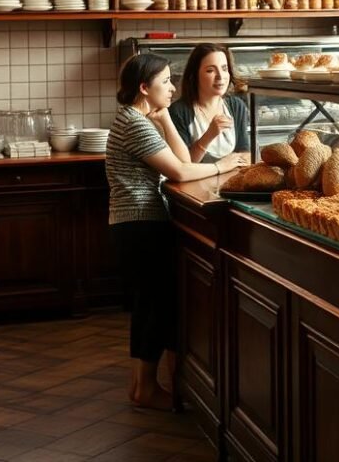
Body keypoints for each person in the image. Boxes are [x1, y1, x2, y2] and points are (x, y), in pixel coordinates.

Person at [106, 53, 248, 410]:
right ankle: (145, 389)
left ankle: (142, 386)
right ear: (144, 87)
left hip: (135, 224)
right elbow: (181, 173)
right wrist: (224, 164)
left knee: (149, 306)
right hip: (140, 224)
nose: (172, 87)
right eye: (166, 82)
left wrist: (166, 116)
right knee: (153, 306)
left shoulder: (137, 117)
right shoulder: (134, 124)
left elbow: (184, 158)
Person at [169, 44, 250, 163]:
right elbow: (183, 166)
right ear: (195, 75)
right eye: (210, 70)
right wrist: (209, 135)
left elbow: (245, 153)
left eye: (224, 69)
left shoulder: (236, 106)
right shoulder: (179, 111)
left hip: (232, 179)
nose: (220, 76)